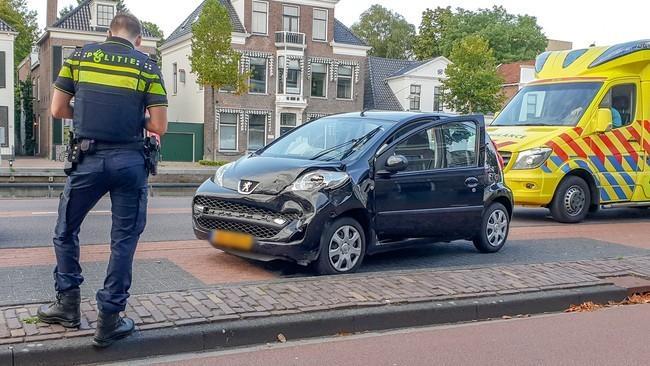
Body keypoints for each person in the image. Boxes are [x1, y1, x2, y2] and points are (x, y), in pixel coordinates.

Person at [37, 13, 168, 348]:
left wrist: (91, 114)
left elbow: (56, 109)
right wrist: (129, 115)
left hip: (88, 159)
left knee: (66, 230)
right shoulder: (147, 65)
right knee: (123, 241)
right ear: (138, 40)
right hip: (129, 162)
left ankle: (68, 306)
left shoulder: (78, 57)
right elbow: (158, 126)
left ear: (108, 33)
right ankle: (109, 321)